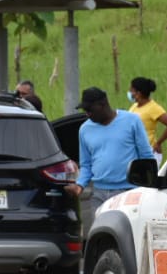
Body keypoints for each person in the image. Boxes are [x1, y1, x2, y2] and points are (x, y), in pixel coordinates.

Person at [64, 86, 154, 232]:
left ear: (103, 104)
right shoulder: (85, 130)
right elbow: (86, 165)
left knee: (126, 234)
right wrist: (79, 185)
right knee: (101, 234)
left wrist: (150, 185)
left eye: (90, 110)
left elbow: (146, 157)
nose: (87, 114)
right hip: (99, 193)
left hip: (128, 192)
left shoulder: (131, 121)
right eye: (85, 110)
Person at [127, 77, 167, 161]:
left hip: (149, 152)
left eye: (131, 90)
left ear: (138, 93)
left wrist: (158, 143)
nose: (129, 93)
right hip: (136, 152)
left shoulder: (153, 108)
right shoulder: (135, 106)